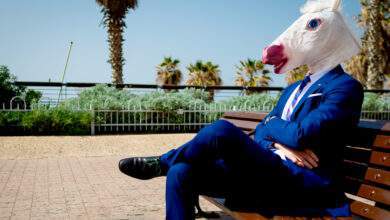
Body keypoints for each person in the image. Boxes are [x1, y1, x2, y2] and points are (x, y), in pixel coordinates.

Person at [119, 0, 364, 218]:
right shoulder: (292, 89)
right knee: (181, 172)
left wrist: (271, 125)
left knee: (220, 131)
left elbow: (301, 134)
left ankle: (162, 163)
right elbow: (261, 132)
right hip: (266, 172)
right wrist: (277, 143)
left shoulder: (345, 87)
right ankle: (169, 166)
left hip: (301, 184)